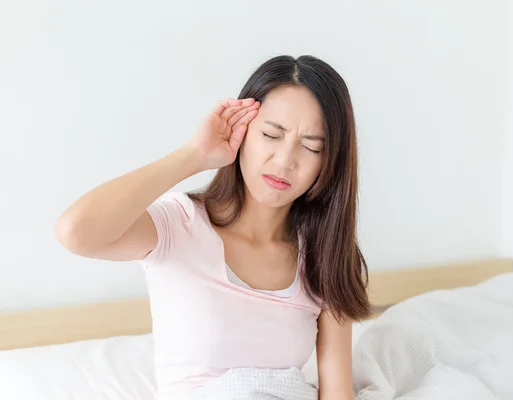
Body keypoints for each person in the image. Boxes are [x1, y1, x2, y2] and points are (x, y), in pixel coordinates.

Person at [55, 54, 371, 399]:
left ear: (330, 163)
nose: (284, 162)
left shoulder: (327, 255)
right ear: (243, 132)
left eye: (311, 147)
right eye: (270, 134)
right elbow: (76, 231)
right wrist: (194, 155)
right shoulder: (177, 225)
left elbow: (337, 391)